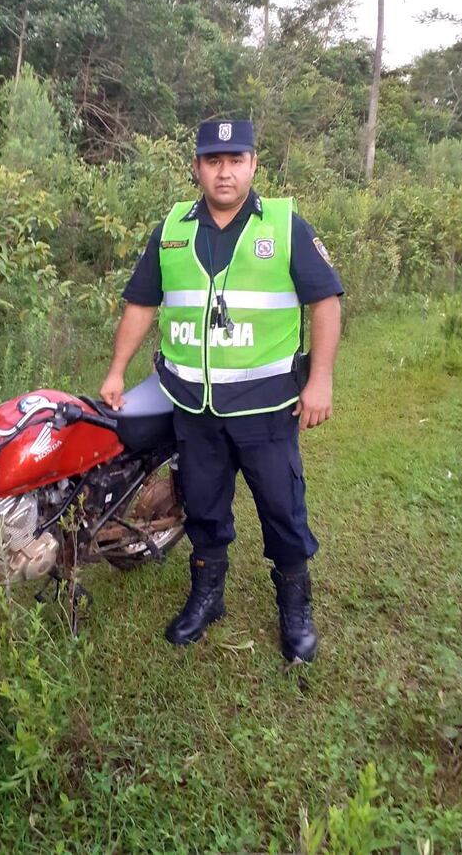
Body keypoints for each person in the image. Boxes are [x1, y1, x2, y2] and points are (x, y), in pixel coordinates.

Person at [99, 119, 342, 662]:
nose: (224, 171)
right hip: (194, 407)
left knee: (282, 507)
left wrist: (320, 380)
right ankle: (207, 596)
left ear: (254, 164)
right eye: (213, 161)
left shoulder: (283, 225)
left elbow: (325, 301)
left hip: (266, 407)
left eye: (236, 160)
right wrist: (117, 371)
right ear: (197, 167)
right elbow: (142, 303)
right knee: (205, 507)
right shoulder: (173, 229)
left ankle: (294, 608)